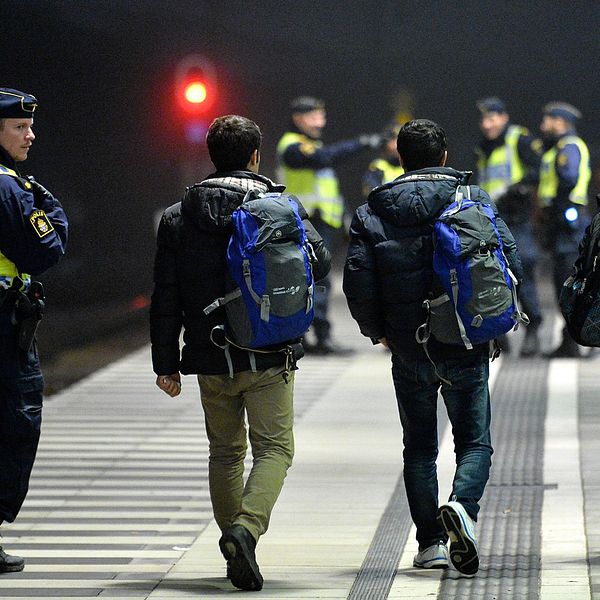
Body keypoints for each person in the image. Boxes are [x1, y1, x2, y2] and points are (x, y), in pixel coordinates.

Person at [150, 115, 330, 591]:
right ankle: (245, 531)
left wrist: (165, 363)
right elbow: (323, 261)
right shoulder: (279, 205)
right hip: (268, 352)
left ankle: (233, 546)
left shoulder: (177, 215)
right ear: (255, 156)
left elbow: (164, 295)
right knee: (274, 448)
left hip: (210, 356)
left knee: (225, 453)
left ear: (212, 155)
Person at [343, 119, 522, 576]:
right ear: (444, 156)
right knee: (474, 442)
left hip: (408, 347)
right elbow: (508, 261)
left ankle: (430, 544)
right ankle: (463, 506)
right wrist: (496, 323)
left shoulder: (371, 212)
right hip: (464, 339)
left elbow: (357, 284)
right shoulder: (471, 198)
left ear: (400, 158)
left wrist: (376, 332)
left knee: (420, 449)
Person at [0, 88, 68, 571]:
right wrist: (52, 209)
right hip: (4, 326)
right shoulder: (8, 187)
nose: (31, 134)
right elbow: (45, 250)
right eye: (20, 127)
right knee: (15, 421)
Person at [277, 96, 381, 354]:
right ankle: (314, 337)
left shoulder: (312, 144)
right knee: (313, 278)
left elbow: (328, 186)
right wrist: (362, 143)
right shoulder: (293, 146)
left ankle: (311, 336)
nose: (321, 119)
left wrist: (345, 219)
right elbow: (324, 158)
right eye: (314, 115)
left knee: (315, 279)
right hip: (305, 221)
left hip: (321, 221)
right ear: (298, 118)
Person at [474, 97, 543, 356]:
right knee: (491, 276)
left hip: (516, 218)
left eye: (492, 118)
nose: (487, 124)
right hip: (490, 219)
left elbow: (537, 170)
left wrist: (515, 189)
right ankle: (500, 334)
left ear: (503, 117)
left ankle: (533, 328)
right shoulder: (484, 147)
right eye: (484, 119)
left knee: (521, 268)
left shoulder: (519, 139)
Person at [538, 102, 591, 358]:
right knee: (565, 282)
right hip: (561, 223)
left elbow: (568, 178)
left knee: (570, 282)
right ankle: (571, 341)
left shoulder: (568, 147)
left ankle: (583, 340)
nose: (543, 125)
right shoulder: (557, 148)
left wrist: (559, 205)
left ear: (560, 121)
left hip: (570, 223)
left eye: (547, 120)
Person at [362, 125, 405, 197]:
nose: (396, 145)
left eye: (400, 140)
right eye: (393, 140)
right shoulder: (378, 166)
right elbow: (372, 192)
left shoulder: (414, 165)